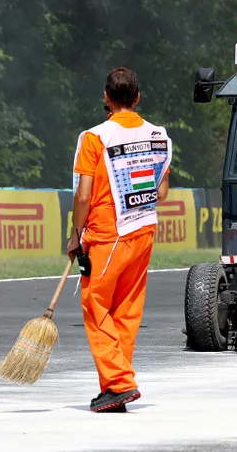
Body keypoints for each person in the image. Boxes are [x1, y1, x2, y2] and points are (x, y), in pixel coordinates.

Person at [67, 66, 172, 413]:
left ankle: (120, 383)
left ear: (106, 98)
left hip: (109, 233)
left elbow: (83, 196)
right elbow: (162, 191)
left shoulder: (95, 137)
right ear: (138, 97)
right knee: (126, 310)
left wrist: (74, 235)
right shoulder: (159, 137)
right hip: (144, 230)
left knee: (96, 305)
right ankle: (114, 388)